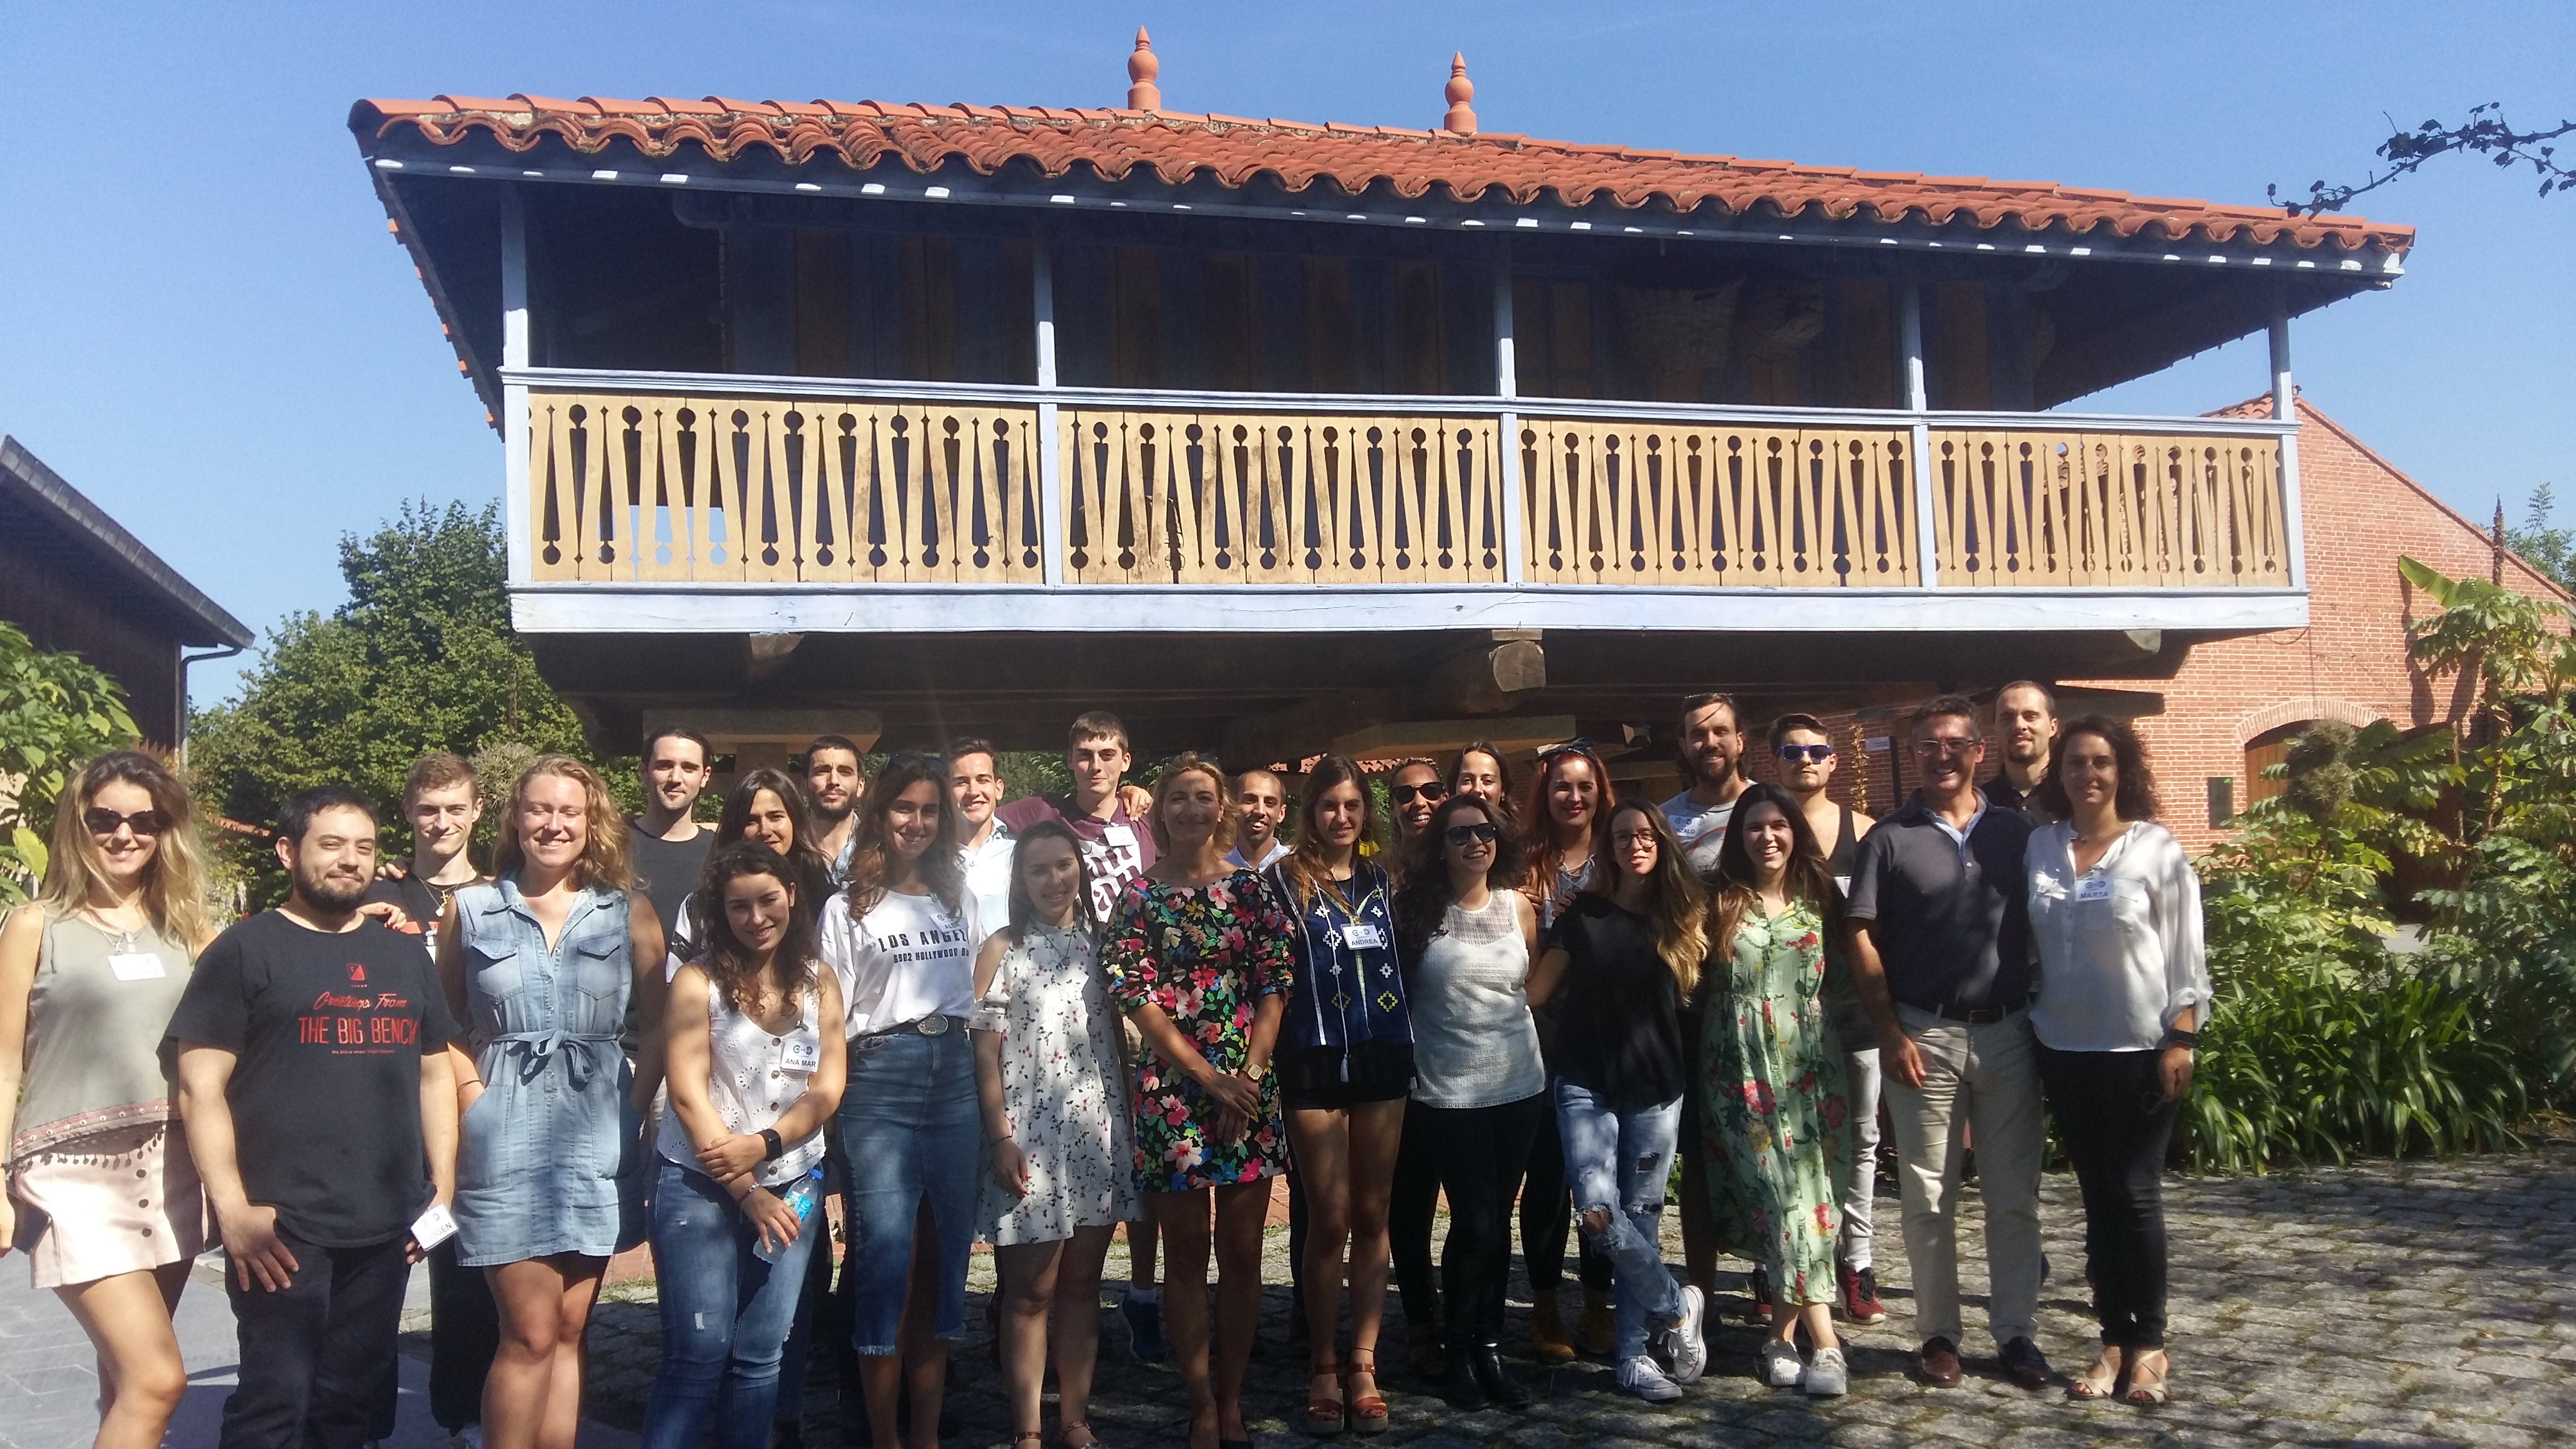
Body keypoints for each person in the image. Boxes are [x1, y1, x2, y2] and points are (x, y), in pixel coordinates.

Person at [168, 784, 462, 1449]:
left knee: (349, 1405)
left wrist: (441, 1183)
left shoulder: (401, 954)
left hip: (386, 1223)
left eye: (363, 847)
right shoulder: (244, 952)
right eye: (331, 845)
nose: (349, 861)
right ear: (287, 851)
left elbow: (434, 1070)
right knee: (276, 1403)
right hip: (283, 1229)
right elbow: (199, 1087)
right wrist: (235, 1209)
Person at [439, 756, 668, 1449]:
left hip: (597, 1129)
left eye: (570, 812)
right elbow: (443, 1025)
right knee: (528, 1333)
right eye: (540, 809)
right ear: (515, 817)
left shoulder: (627, 909)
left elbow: (663, 1022)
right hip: (502, 1131)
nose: (554, 824)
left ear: (591, 821)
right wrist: (473, 1095)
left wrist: (632, 1104)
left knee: (570, 1331)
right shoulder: (472, 907)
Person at [0, 751, 213, 1449]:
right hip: (73, 1175)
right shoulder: (36, 925)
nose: (125, 835)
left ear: (165, 831)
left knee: (126, 1382)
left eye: (144, 822)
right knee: (158, 1380)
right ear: (78, 824)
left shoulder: (191, 932)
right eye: (105, 819)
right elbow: (4, 1064)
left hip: (175, 1168)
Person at [1844, 695, 2051, 1392]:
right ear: (1915, 753)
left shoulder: (2018, 835)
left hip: (2009, 1029)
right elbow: (1861, 936)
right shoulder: (1890, 837)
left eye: (1955, 745)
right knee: (1928, 1195)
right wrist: (1889, 1030)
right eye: (1928, 745)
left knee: (2013, 1194)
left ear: (1977, 752)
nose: (1941, 756)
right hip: (1921, 1032)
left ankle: (2017, 1331)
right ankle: (1938, 1334)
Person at [1100, 753, 1292, 1449]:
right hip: (1174, 1092)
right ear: (1159, 811)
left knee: (1242, 1254)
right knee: (1185, 1253)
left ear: (1223, 810)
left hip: (1247, 1082)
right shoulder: (1138, 899)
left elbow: (1274, 981)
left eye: (1203, 798)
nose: (1190, 810)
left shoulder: (1251, 890)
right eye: (1177, 798)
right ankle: (1199, 1401)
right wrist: (1209, 1079)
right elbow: (1139, 1001)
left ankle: (1234, 1396)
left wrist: (1249, 1073)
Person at [2026, 718, 2207, 1407]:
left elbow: (2187, 951)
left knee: (2134, 1197)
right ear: (2060, 772)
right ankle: (2111, 1342)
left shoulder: (2155, 849)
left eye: (2101, 763)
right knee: (2097, 1201)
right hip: (2064, 1049)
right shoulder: (2041, 847)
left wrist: (2182, 1038)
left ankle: (2150, 1345)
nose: (2089, 775)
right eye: (2076, 763)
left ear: (2121, 771)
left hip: (2140, 1050)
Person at [644, 842, 847, 1449]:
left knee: (763, 1353)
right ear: (719, 911)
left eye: (768, 901)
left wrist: (766, 1145)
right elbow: (686, 1095)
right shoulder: (696, 982)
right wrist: (746, 1189)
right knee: (698, 1354)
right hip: (699, 1186)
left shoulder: (820, 980)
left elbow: (828, 1085)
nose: (757, 918)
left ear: (791, 897)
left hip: (797, 1185)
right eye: (739, 907)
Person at [816, 752, 979, 1449]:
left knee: (944, 1259)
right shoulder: (846, 905)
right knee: (884, 1260)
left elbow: (978, 991)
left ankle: (929, 1437)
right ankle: (883, 1436)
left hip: (957, 1078)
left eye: (930, 810)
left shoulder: (956, 897)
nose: (916, 821)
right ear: (881, 814)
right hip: (879, 1079)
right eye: (903, 808)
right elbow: (832, 1021)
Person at [1526, 799, 1709, 1403]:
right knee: (1599, 1213)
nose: (1635, 843)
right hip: (1585, 1083)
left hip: (1658, 1092)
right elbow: (1535, 993)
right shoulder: (1585, 914)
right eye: (1623, 835)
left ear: (1662, 844)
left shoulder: (1684, 917)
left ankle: (1634, 1357)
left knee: (1645, 1218)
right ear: (1609, 849)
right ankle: (1675, 1306)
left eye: (1645, 834)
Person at [996, 713, 1167, 1359]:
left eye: (1106, 754)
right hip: (1070, 988)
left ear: (1126, 759)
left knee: (1140, 1152)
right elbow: (983, 811)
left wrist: (1142, 798)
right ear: (1069, 760)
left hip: (1135, 984)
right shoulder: (1044, 812)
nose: (1094, 765)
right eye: (1083, 754)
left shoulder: (1146, 822)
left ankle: (1144, 1293)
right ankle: (1021, 1308)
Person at [970, 820, 1136, 1449]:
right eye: (1038, 869)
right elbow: (984, 1052)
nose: (1053, 879)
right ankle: (1028, 1428)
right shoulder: (1002, 948)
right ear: (1021, 880)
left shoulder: (1102, 945)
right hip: (1027, 1139)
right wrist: (1000, 1137)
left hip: (1095, 1133)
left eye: (1063, 865)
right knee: (1028, 1292)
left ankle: (1074, 1418)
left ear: (1080, 870)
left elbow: (1116, 1041)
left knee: (1082, 1288)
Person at [361, 753, 502, 1446]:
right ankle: (359, 1416)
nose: (442, 823)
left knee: (463, 1263)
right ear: (409, 814)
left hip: (469, 1101)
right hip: (386, 1104)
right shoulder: (378, 896)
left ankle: (461, 1415)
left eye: (455, 808)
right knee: (373, 1272)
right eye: (428, 810)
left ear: (478, 811)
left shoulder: (503, 894)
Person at [1269, 755, 1412, 1435]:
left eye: (1353, 805)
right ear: (1312, 812)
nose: (1343, 817)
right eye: (1330, 806)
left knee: (1372, 1213)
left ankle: (1363, 1361)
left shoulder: (1388, 881)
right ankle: (1322, 1360)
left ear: (1366, 811)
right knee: (1327, 1218)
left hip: (1383, 1055)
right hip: (1313, 1061)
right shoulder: (1282, 882)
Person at [1388, 793, 1543, 1412]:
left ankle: (1490, 1351)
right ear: (1440, 848)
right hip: (1448, 1091)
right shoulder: (1417, 912)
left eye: (1484, 831)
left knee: (1496, 1221)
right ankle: (1458, 1350)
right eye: (1459, 835)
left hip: (1520, 1085)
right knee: (1475, 1220)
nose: (1474, 843)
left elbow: (1527, 988)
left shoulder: (1520, 908)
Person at [1700, 783, 1855, 1398]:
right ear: (1739, 837)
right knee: (1788, 1200)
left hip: (1811, 1071)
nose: (1767, 836)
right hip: (1738, 1071)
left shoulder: (1821, 900)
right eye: (1754, 827)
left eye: (1778, 825)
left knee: (1814, 1202)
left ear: (1795, 832)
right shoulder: (1719, 904)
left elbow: (1844, 979)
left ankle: (1779, 1339)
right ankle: (1830, 1344)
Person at [1768, 713, 1886, 1327]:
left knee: (1861, 1141)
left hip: (1855, 1016)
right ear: (1776, 762)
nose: (1805, 760)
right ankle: (1784, 1262)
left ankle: (1855, 1263)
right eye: (1792, 751)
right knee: (1789, 1144)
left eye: (1817, 750)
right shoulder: (1765, 833)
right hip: (1786, 1020)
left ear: (1834, 761)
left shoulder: (1865, 833)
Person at [1515, 739, 1618, 1362]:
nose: (1573, 797)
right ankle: (1547, 1302)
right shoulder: (1526, 863)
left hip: (1609, 1039)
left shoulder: (1622, 855)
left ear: (1599, 791)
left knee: (1602, 1177)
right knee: (1549, 1179)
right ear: (1545, 794)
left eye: (1584, 786)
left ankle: (1601, 1301)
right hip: (1543, 1037)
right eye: (1562, 786)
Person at [663, 769, 836, 970]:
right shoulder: (700, 908)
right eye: (751, 821)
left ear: (794, 821)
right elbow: (676, 982)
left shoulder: (826, 899)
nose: (765, 830)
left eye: (775, 817)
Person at [628, 726, 716, 952]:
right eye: (664, 765)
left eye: (688, 768)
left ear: (705, 776)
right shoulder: (610, 844)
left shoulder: (722, 851)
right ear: (643, 771)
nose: (676, 778)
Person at [1662, 693, 1749, 874]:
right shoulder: (1662, 820)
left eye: (1721, 732)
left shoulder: (1772, 807)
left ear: (1739, 742)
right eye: (1698, 734)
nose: (1711, 743)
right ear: (1684, 746)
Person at [950, 740, 1016, 943]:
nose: (973, 791)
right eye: (961, 782)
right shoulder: (928, 857)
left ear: (998, 789)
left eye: (982, 780)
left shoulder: (1020, 854)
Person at [1985, 681, 2060, 822]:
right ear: (1995, 728)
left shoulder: (2073, 797)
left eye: (2030, 716)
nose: (2019, 725)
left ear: (2053, 727)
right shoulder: (1979, 805)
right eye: (2007, 718)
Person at [806, 735, 867, 887]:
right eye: (822, 771)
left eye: (845, 772)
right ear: (804, 785)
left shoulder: (879, 848)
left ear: (860, 786)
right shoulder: (789, 848)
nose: (833, 781)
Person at [1223, 768, 1291, 872]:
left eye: (1270, 803)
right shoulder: (1217, 871)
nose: (1260, 811)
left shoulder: (1297, 869)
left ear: (1281, 813)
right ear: (1234, 807)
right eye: (1250, 800)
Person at [1385, 760, 1447, 854]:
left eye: (1430, 791)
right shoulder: (1376, 868)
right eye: (1405, 794)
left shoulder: (1463, 863)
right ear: (1392, 806)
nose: (1419, 803)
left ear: (1445, 799)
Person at [1446, 742, 1516, 825]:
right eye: (1467, 780)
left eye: (1488, 781)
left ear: (1503, 789)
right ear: (1454, 787)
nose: (1477, 789)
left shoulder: (1521, 837)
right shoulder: (1439, 836)